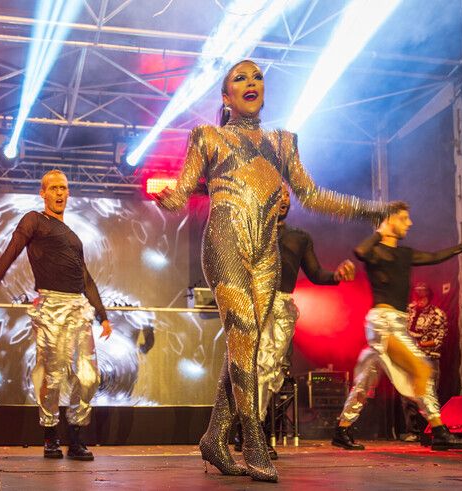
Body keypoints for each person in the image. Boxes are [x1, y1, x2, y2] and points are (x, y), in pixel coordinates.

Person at [154, 59, 389, 482]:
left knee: (244, 346)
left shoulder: (284, 142)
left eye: (257, 77)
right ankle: (254, 438)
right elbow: (181, 195)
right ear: (226, 97)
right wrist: (167, 199)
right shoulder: (207, 136)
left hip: (267, 251)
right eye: (240, 78)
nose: (251, 82)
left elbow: (312, 195)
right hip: (225, 240)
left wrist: (367, 208)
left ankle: (214, 436)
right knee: (243, 335)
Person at [331, 201, 462, 451]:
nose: (410, 223)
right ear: (390, 221)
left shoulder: (405, 254)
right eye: (404, 218)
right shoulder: (374, 252)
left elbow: (433, 257)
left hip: (394, 322)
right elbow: (360, 251)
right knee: (421, 369)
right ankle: (439, 431)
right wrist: (380, 231)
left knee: (365, 382)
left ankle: (341, 430)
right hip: (384, 324)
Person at [0, 170, 112, 461]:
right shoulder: (34, 220)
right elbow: (12, 250)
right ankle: (50, 435)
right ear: (43, 193)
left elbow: (85, 277)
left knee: (89, 376)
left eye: (64, 188)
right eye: (54, 188)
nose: (60, 193)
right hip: (51, 307)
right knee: (53, 375)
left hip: (79, 309)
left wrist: (103, 315)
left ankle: (75, 436)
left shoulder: (73, 237)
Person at [245, 184, 356, 459]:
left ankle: (251, 430)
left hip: (282, 305)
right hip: (254, 303)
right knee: (259, 367)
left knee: (275, 370)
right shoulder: (251, 229)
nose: (283, 199)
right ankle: (253, 433)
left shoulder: (299, 237)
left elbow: (316, 273)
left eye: (286, 195)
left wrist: (337, 276)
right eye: (277, 193)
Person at [400, 282, 446, 442]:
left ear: (429, 296)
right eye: (416, 295)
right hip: (410, 359)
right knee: (407, 396)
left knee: (428, 395)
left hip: (428, 359)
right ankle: (413, 432)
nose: (418, 299)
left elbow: (438, 340)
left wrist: (417, 344)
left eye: (422, 296)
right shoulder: (408, 311)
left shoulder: (437, 314)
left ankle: (434, 432)